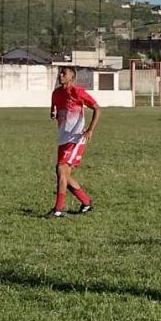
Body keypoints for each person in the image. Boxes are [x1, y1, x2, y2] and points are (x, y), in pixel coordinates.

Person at [47, 66, 100, 218]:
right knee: (63, 175)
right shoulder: (56, 93)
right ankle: (86, 201)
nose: (60, 75)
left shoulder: (77, 92)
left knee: (60, 169)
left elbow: (97, 108)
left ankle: (58, 209)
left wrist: (90, 130)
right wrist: (53, 114)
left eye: (64, 73)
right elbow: (54, 110)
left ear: (72, 77)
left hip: (76, 138)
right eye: (60, 73)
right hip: (63, 138)